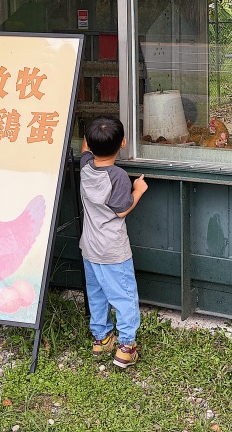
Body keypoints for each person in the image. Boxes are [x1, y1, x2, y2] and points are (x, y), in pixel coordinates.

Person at [79, 116, 147, 368]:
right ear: (124, 143)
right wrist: (138, 189)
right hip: (113, 250)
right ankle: (126, 347)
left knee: (96, 294)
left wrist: (89, 139)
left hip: (90, 247)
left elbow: (85, 150)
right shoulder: (118, 176)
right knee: (124, 296)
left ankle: (101, 338)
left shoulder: (85, 167)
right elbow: (121, 210)